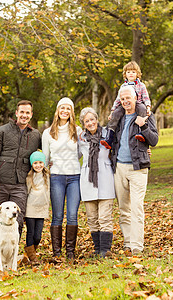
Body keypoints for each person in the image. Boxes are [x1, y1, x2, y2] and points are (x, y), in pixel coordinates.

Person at [111, 85, 158, 255]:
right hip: (120, 168)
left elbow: (154, 140)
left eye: (128, 98)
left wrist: (144, 126)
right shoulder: (118, 118)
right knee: (124, 209)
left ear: (135, 98)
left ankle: (137, 246)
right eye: (122, 99)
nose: (125, 102)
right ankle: (128, 243)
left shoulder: (146, 115)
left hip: (138, 168)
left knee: (136, 207)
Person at [0, 100, 41, 237]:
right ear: (16, 113)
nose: (24, 115)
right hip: (0, 183)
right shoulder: (1, 131)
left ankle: (13, 255)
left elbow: (43, 155)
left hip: (20, 185)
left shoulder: (35, 135)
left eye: (27, 112)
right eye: (22, 112)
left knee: (18, 221)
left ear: (31, 115)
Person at [42, 97, 82, 259]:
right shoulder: (48, 133)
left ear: (72, 112)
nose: (64, 111)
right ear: (57, 111)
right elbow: (45, 157)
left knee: (72, 214)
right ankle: (57, 252)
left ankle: (70, 252)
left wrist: (71, 162)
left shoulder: (77, 131)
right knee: (57, 215)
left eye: (68, 108)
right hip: (56, 177)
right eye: (62, 108)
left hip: (74, 177)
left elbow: (80, 152)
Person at [78, 107, 115, 258]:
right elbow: (73, 156)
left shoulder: (108, 134)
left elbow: (118, 148)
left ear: (97, 119)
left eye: (92, 119)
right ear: (83, 124)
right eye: (87, 121)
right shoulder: (81, 138)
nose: (90, 123)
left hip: (105, 177)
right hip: (88, 180)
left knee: (105, 217)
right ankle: (97, 249)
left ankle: (105, 250)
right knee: (92, 218)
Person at [101, 61, 151, 149]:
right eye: (128, 72)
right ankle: (109, 137)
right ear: (125, 74)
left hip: (138, 103)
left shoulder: (141, 85)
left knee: (142, 109)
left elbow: (146, 97)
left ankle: (141, 133)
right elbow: (118, 99)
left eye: (133, 72)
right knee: (116, 113)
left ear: (137, 73)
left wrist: (148, 107)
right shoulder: (123, 86)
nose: (131, 74)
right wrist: (112, 111)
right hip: (124, 105)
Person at [23, 151, 50, 265]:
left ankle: (30, 251)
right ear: (31, 164)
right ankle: (32, 256)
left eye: (40, 162)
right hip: (30, 208)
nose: (38, 165)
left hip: (42, 209)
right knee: (31, 232)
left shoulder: (47, 175)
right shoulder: (29, 177)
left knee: (38, 236)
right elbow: (26, 193)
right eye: (35, 163)